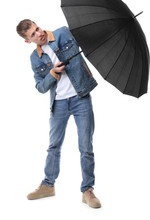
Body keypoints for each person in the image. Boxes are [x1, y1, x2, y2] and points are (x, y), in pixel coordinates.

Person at [16, 19, 101, 208]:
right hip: (59, 104)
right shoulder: (34, 58)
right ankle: (48, 185)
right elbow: (40, 87)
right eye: (33, 34)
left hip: (81, 98)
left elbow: (87, 40)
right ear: (27, 41)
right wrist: (53, 73)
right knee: (54, 146)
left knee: (85, 146)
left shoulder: (63, 33)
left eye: (37, 29)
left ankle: (87, 190)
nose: (39, 34)